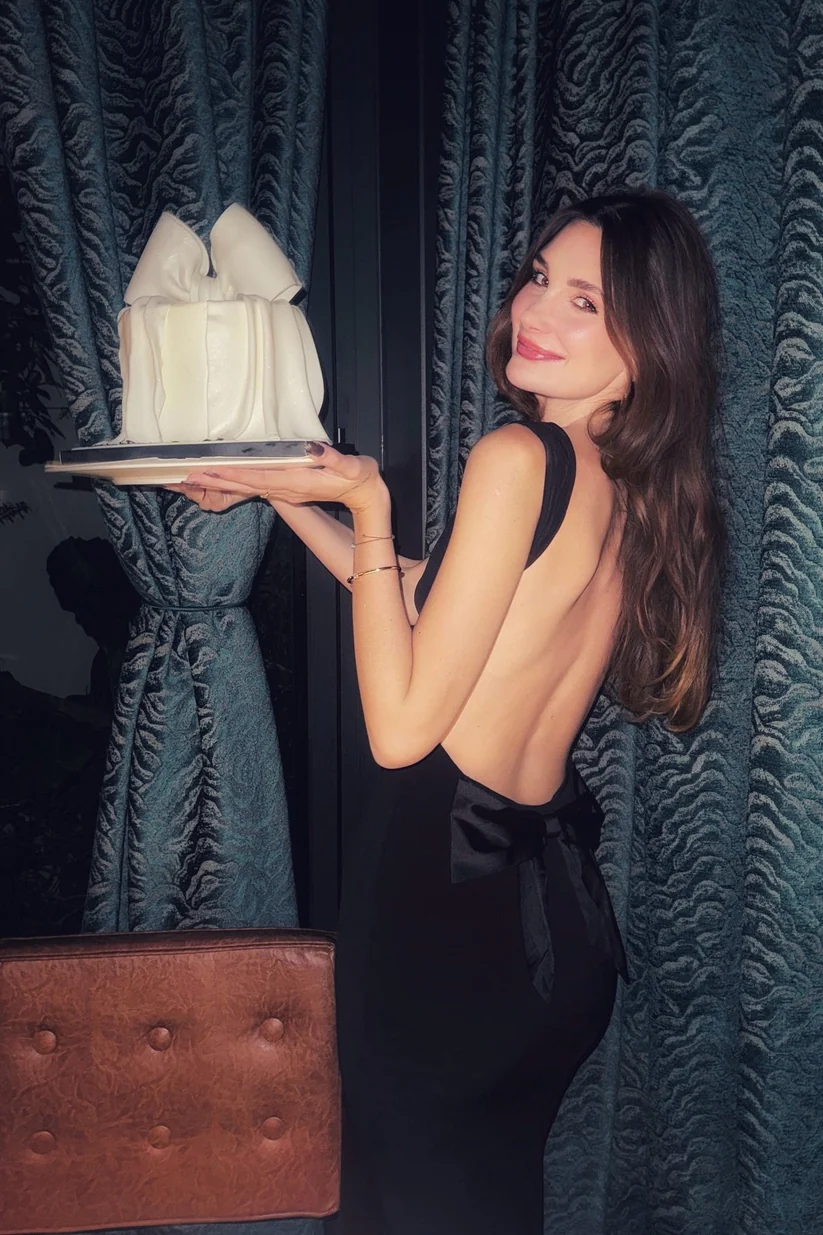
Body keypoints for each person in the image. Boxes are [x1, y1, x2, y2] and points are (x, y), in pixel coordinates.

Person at [173, 188, 725, 1234]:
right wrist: (283, 494)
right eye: (539, 279)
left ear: (647, 345)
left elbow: (400, 730)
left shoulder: (517, 459)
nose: (536, 312)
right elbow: (418, 595)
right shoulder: (626, 481)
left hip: (442, 921)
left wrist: (369, 501)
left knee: (400, 1203)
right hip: (544, 929)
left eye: (586, 303)